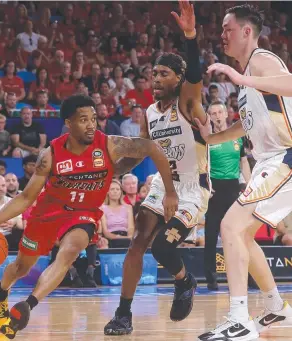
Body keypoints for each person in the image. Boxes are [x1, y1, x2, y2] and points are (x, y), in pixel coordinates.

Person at [0, 94, 178, 339]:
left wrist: (170, 192)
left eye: (94, 119)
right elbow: (25, 199)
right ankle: (1, 292)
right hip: (47, 214)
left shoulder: (109, 144)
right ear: (69, 123)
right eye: (83, 120)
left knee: (69, 253)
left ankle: (28, 306)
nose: (91, 125)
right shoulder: (50, 154)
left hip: (83, 215)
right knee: (21, 267)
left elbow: (151, 148)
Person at [194, 5, 292, 340]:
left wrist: (239, 78)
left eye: (227, 28)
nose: (222, 35)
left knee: (229, 226)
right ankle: (276, 306)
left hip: (291, 156)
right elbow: (244, 126)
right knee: (241, 233)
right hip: (273, 160)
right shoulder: (249, 78)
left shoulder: (262, 60)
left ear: (247, 32)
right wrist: (212, 137)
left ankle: (239, 319)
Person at [104, 2, 209, 335]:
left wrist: (190, 37)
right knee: (138, 243)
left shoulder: (187, 103)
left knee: (163, 247)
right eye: (154, 74)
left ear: (178, 79)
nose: (156, 79)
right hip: (164, 186)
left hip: (192, 189)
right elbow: (141, 151)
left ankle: (184, 281)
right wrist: (111, 172)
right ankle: (123, 313)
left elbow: (195, 73)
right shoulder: (150, 112)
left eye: (164, 74)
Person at [203, 101, 251, 291]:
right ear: (209, 117)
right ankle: (211, 278)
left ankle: (247, 275)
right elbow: (200, 164)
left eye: (219, 112)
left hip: (233, 188)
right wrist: (205, 185)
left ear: (225, 114)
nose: (216, 116)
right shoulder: (206, 138)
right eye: (212, 113)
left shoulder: (238, 136)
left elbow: (243, 161)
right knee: (211, 236)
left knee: (239, 234)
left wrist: (250, 185)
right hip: (214, 189)